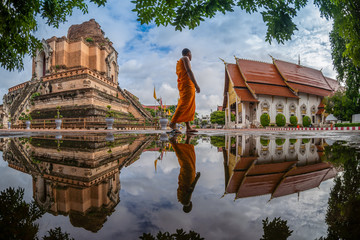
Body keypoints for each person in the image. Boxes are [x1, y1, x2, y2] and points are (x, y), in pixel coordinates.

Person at [169, 48, 200, 133]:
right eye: (191, 55)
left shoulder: (179, 62)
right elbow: (189, 71)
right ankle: (173, 123)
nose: (191, 57)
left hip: (186, 84)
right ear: (189, 54)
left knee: (189, 105)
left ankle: (188, 127)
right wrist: (196, 85)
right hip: (187, 85)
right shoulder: (185, 58)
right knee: (184, 104)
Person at [170, 134, 201, 213]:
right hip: (185, 178)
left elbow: (191, 189)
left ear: (188, 207)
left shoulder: (186, 202)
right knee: (188, 158)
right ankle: (188, 139)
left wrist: (197, 177)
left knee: (185, 160)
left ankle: (174, 143)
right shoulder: (180, 200)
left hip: (188, 178)